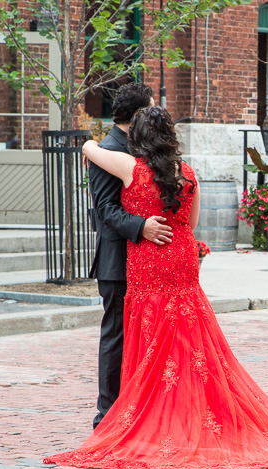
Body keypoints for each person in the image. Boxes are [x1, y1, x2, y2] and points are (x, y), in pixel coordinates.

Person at [45, 106, 268, 469]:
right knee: (188, 337)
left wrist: (94, 137)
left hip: (150, 259)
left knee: (153, 337)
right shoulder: (188, 173)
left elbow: (89, 149)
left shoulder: (131, 168)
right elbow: (193, 222)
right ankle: (194, 410)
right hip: (181, 254)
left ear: (139, 139)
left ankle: (157, 418)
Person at [88, 83, 174, 429]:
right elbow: (105, 210)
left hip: (144, 263)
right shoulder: (109, 149)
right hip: (117, 262)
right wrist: (142, 227)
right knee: (117, 336)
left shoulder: (137, 146)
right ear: (138, 114)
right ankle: (106, 416)